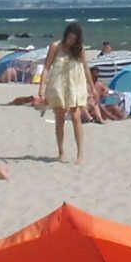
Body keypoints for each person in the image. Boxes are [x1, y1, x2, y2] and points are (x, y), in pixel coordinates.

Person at [41, 22, 94, 164]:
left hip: (75, 85)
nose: (71, 41)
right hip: (58, 85)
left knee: (76, 117)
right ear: (65, 35)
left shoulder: (79, 49)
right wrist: (41, 89)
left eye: (74, 39)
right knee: (60, 118)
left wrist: (92, 87)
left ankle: (80, 154)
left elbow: (86, 68)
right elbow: (46, 67)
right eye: (69, 38)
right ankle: (61, 151)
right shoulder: (55, 46)